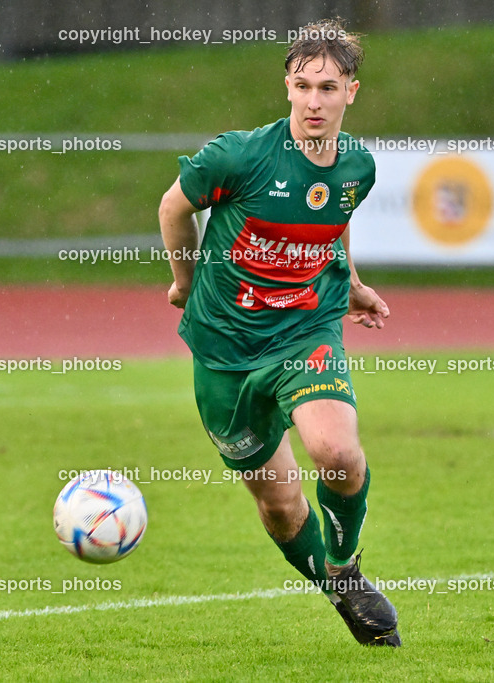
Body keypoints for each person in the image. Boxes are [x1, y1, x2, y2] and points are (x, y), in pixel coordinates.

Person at [158, 19, 400, 646]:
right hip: (223, 348)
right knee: (280, 505)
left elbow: (334, 222)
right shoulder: (238, 156)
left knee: (337, 454)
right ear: (286, 87)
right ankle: (335, 588)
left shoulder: (358, 168)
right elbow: (172, 207)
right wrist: (185, 281)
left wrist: (351, 284)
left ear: (352, 91)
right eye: (302, 86)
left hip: (304, 332)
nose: (313, 101)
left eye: (327, 86)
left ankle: (346, 564)